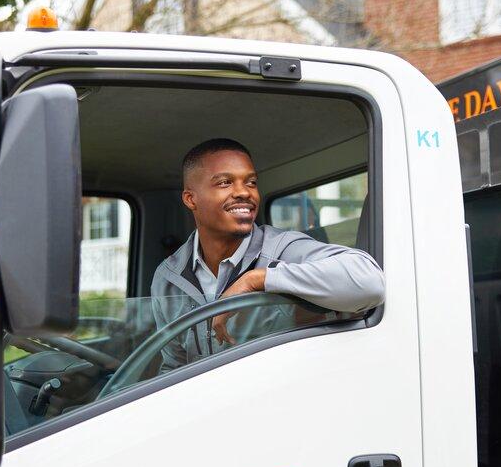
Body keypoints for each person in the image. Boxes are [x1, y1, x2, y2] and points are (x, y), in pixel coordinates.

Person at [150, 138, 385, 372]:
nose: (244, 192)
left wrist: (257, 279)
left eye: (251, 182)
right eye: (225, 183)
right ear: (191, 199)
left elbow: (370, 281)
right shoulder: (168, 276)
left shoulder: (282, 250)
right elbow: (174, 367)